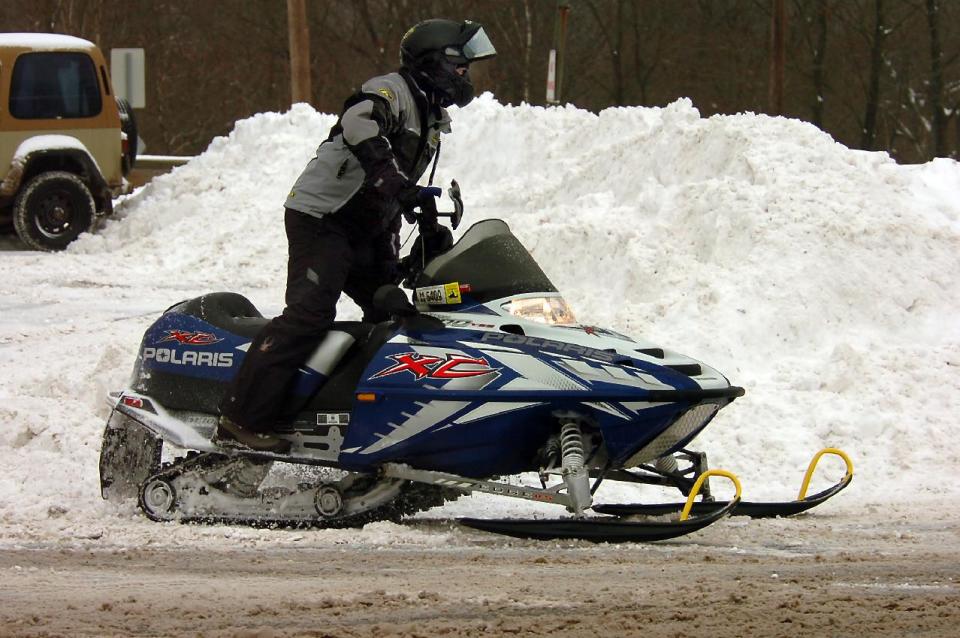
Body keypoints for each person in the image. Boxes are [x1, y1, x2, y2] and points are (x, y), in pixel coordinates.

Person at [215, 19, 497, 452]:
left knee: (391, 314)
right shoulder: (391, 91)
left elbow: (402, 185)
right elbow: (359, 122)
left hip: (369, 226)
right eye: (460, 67)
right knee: (310, 314)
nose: (466, 78)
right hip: (323, 217)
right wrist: (396, 184)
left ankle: (366, 420)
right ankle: (241, 419)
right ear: (434, 62)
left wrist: (426, 223)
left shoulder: (431, 115)